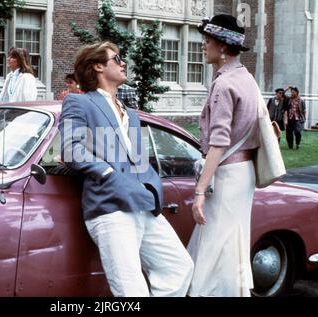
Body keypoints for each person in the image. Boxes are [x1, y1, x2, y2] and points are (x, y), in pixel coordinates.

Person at [59, 41, 193, 297]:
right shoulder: (80, 103)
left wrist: (152, 185)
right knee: (131, 290)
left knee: (179, 267)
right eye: (116, 58)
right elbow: (70, 149)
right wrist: (108, 174)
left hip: (143, 204)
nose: (123, 63)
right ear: (98, 66)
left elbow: (138, 159)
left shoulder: (131, 114)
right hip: (111, 207)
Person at [187, 14, 260, 297]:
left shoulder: (224, 84)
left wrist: (200, 191)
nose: (203, 47)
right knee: (230, 247)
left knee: (214, 249)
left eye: (207, 42)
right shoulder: (247, 79)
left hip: (227, 174)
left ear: (222, 47)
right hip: (244, 174)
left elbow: (218, 142)